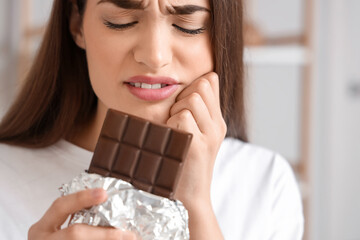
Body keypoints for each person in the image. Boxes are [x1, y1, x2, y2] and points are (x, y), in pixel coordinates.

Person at [0, 0, 304, 239]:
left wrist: (197, 207)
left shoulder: (265, 182)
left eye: (188, 25)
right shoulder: (7, 177)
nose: (155, 55)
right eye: (122, 21)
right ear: (77, 25)